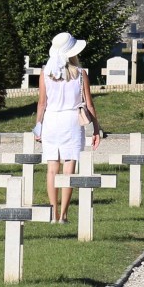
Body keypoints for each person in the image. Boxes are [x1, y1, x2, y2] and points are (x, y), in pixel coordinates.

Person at [35, 32, 102, 223]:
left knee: (51, 169)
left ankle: (52, 213)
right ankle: (63, 215)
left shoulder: (45, 73)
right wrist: (96, 129)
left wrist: (38, 126)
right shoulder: (81, 74)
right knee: (69, 169)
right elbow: (89, 105)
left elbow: (42, 104)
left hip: (51, 121)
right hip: (71, 121)